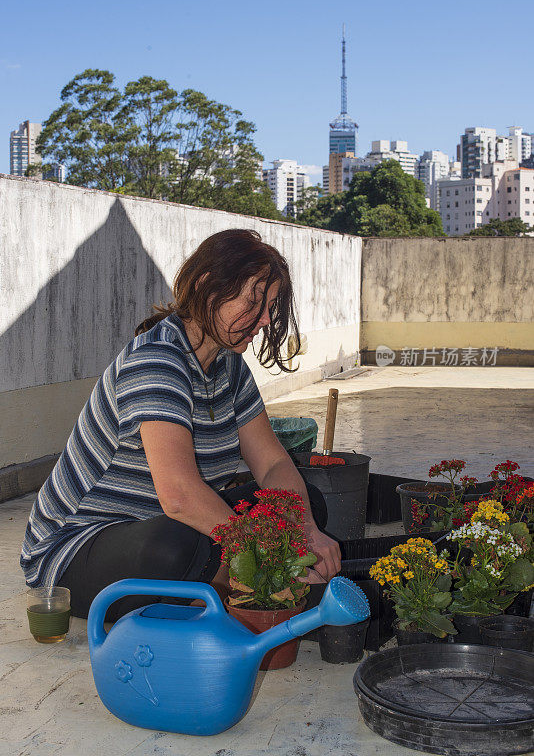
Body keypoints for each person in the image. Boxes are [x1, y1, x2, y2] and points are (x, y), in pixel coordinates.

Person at [20, 229, 341, 621]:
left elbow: (273, 465)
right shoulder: (156, 361)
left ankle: (227, 593)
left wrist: (303, 527)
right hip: (74, 550)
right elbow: (179, 497)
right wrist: (262, 551)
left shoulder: (230, 368)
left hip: (166, 524)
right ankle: (242, 594)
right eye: (254, 302)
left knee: (296, 503)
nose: (264, 320)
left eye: (271, 307)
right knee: (181, 544)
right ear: (208, 286)